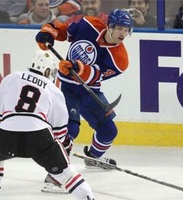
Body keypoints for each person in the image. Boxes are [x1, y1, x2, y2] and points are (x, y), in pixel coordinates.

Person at [0, 50, 105, 200]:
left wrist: (13, 126)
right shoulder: (54, 90)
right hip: (39, 136)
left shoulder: (11, 77)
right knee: (66, 174)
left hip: (7, 132)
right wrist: (61, 145)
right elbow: (59, 130)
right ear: (48, 71)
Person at [35, 9, 132, 172]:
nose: (122, 33)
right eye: (119, 28)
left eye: (126, 29)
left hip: (89, 89)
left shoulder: (120, 59)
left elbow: (97, 75)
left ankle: (93, 158)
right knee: (70, 130)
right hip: (66, 86)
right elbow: (65, 30)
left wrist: (77, 67)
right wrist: (49, 33)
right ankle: (55, 173)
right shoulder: (89, 24)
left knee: (108, 131)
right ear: (109, 26)